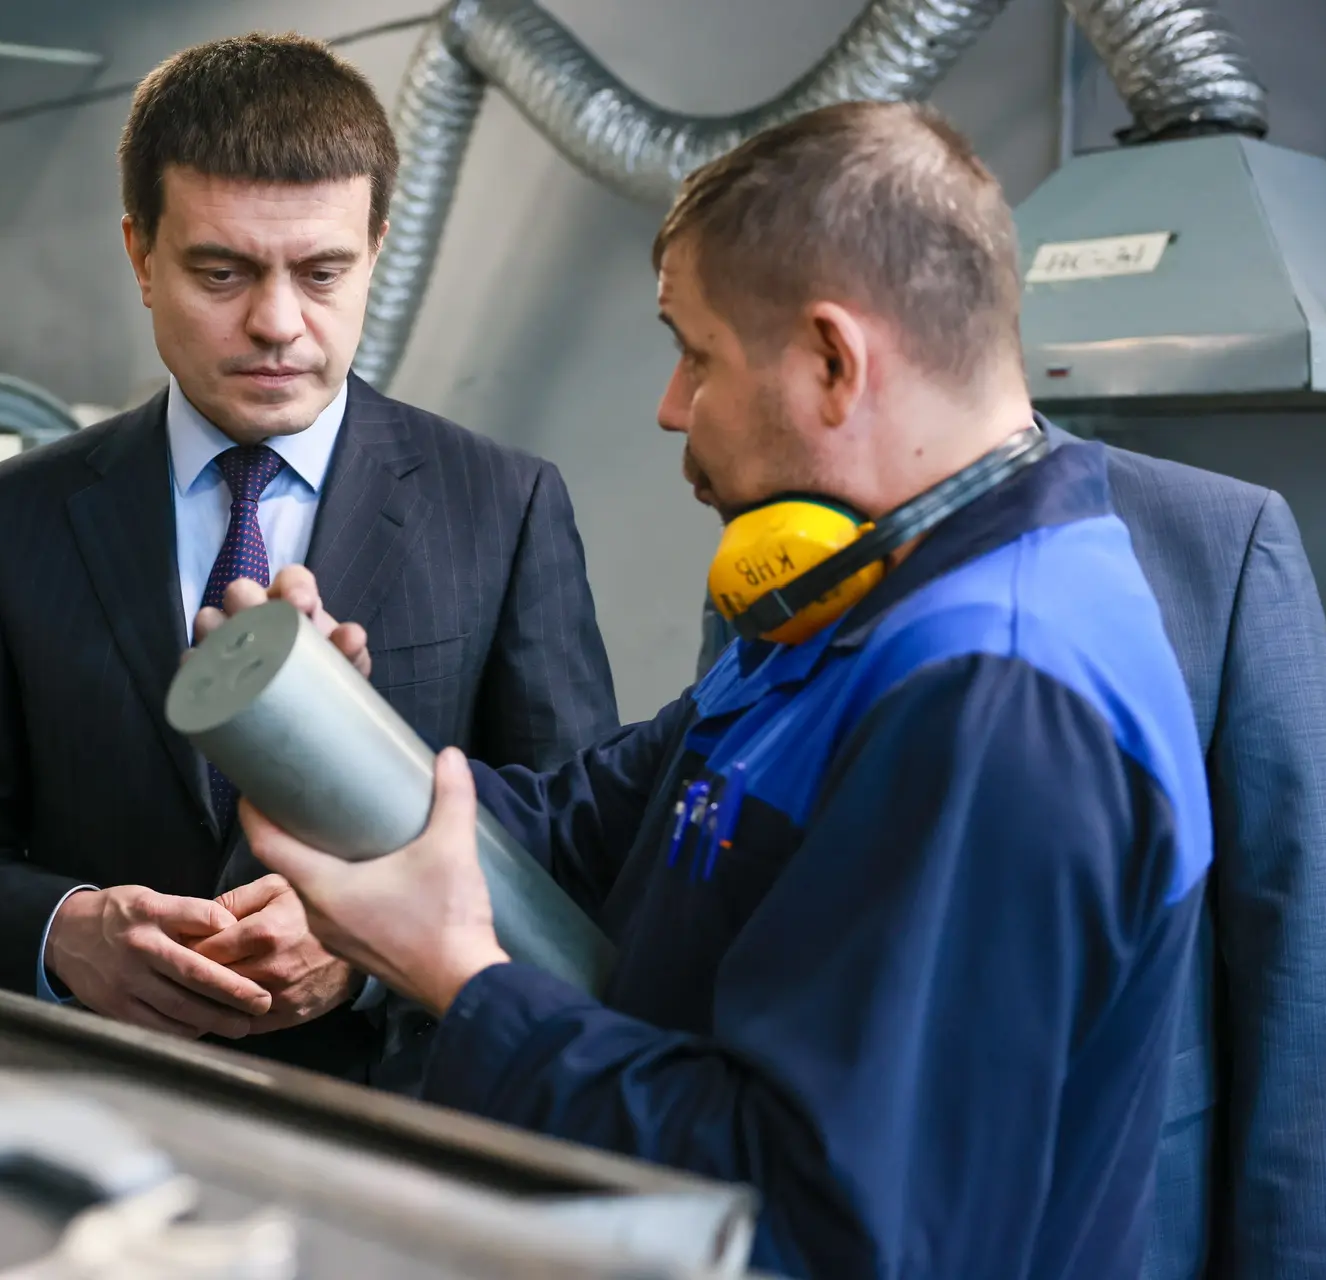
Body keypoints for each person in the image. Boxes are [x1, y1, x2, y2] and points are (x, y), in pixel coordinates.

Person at [233, 101, 1215, 1277]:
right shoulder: (851, 599)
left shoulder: (996, 696)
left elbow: (823, 1228)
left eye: (694, 354)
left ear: (833, 362)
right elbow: (594, 825)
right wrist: (334, 739)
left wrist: (465, 981)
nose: (669, 405)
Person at [0, 33, 617, 1083]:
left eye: (323, 272)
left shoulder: (503, 504)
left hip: (393, 1114)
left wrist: (370, 948)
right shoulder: (15, 512)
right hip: (107, 1099)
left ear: (377, 251)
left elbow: (576, 849)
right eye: (221, 272)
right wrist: (66, 930)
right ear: (140, 255)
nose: (276, 323)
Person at [693, 437, 1326, 1277]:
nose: (672, 413)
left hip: (1129, 1232)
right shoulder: (779, 554)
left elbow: (1306, 969)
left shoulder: (1219, 539)